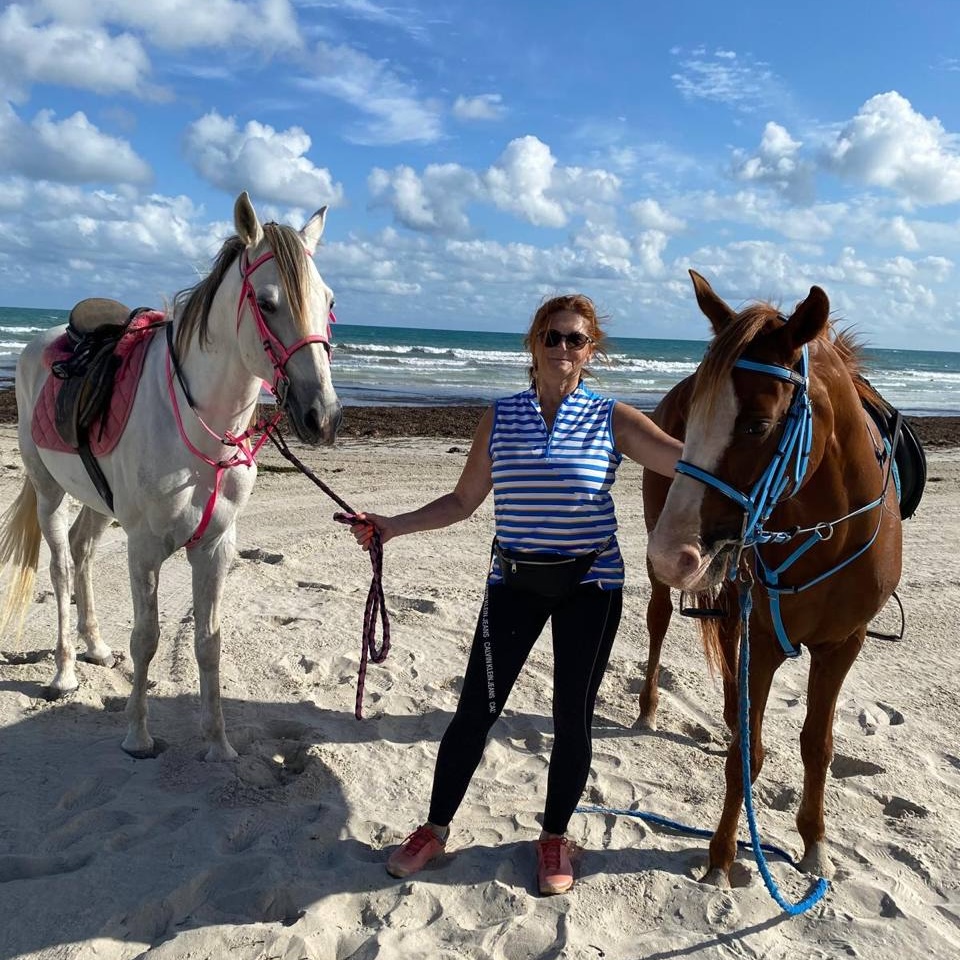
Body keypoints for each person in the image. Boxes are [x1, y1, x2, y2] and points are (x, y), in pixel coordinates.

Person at [349, 294, 682, 895]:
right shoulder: (501, 416)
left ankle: (554, 837)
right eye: (551, 336)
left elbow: (689, 464)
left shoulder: (612, 418)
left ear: (591, 351)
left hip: (591, 586)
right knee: (475, 710)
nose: (562, 347)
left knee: (571, 716)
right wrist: (392, 525)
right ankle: (434, 828)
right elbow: (462, 501)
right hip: (514, 584)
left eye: (575, 339)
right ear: (533, 343)